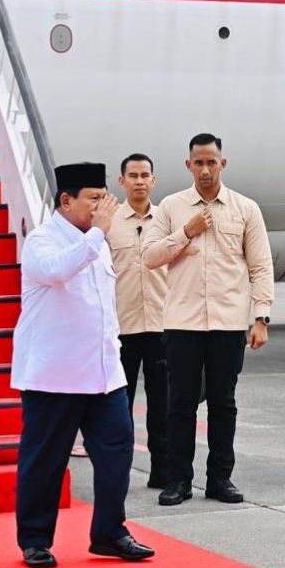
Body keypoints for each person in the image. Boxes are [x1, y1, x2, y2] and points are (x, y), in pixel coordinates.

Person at [12, 162, 155, 568]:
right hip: (55, 374)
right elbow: (59, 271)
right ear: (66, 200)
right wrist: (98, 233)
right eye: (93, 199)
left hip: (103, 372)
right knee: (46, 459)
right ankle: (35, 539)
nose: (102, 207)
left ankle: (109, 531)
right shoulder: (42, 241)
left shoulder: (96, 241)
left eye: (103, 198)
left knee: (117, 451)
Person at [143, 134, 274, 507]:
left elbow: (261, 265)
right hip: (182, 323)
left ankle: (220, 479)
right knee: (180, 405)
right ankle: (178, 481)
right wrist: (186, 232)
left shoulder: (245, 209)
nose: (204, 169)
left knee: (223, 404)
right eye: (198, 163)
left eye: (211, 162)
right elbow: (150, 256)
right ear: (188, 165)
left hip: (228, 323)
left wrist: (261, 316)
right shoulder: (171, 207)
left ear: (223, 163)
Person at [109, 153, 169, 487]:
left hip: (161, 326)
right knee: (120, 407)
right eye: (133, 175)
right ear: (122, 181)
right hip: (123, 328)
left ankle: (163, 473)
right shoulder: (110, 223)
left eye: (145, 175)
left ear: (154, 180)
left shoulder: (167, 220)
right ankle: (119, 473)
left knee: (163, 406)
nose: (140, 181)